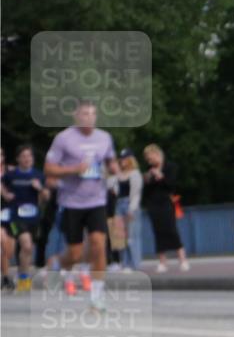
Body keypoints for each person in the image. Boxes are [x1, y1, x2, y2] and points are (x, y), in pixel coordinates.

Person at [43, 101, 119, 310]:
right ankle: (58, 264)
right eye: (85, 113)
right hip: (71, 202)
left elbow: (111, 160)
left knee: (98, 243)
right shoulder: (64, 139)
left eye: (93, 114)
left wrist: (113, 167)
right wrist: (74, 169)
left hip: (97, 200)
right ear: (76, 116)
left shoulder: (104, 138)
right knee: (75, 254)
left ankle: (96, 295)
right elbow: (49, 169)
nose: (89, 117)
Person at [2, 145, 48, 292]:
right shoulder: (11, 175)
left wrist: (40, 188)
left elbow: (47, 196)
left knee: (28, 249)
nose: (27, 159)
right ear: (18, 159)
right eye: (24, 156)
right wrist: (5, 194)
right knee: (26, 245)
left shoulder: (39, 175)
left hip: (33, 217)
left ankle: (23, 276)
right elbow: (1, 183)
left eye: (29, 156)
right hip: (16, 216)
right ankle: (24, 279)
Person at [142, 144, 189, 274]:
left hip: (166, 203)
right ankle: (162, 262)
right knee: (157, 232)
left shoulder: (170, 167)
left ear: (157, 154)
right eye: (148, 160)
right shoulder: (149, 169)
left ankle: (182, 259)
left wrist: (160, 176)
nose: (149, 162)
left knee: (171, 230)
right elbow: (146, 191)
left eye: (150, 159)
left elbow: (171, 185)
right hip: (153, 204)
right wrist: (147, 180)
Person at [115, 150, 144, 272]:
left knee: (132, 235)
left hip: (129, 204)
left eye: (125, 158)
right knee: (120, 236)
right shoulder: (118, 175)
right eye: (121, 158)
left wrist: (131, 209)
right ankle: (124, 262)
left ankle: (134, 264)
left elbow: (136, 194)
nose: (122, 161)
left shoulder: (135, 173)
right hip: (119, 204)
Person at [0, 149, 16, 292]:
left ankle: (5, 276)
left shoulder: (11, 171)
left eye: (1, 154)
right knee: (3, 241)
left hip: (10, 213)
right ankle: (5, 276)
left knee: (9, 250)